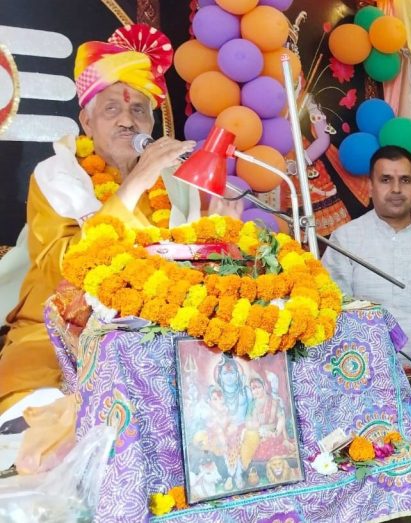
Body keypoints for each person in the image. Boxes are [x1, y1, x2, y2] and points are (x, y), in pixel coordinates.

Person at [0, 24, 243, 414]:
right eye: (111, 109)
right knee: (29, 410)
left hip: (155, 333)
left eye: (138, 110)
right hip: (56, 332)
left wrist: (219, 237)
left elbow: (192, 271)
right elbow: (66, 266)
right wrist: (134, 184)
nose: (127, 121)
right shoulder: (55, 176)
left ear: (151, 125)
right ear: (87, 122)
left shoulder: (174, 185)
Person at [322, 146, 411, 369]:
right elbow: (333, 308)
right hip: (365, 372)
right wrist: (367, 366)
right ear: (370, 186)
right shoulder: (345, 239)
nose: (396, 189)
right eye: (386, 180)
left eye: (405, 180)